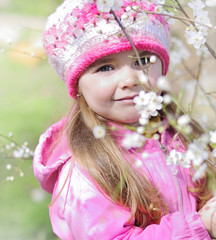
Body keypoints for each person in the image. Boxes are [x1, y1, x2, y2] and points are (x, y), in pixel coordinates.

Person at [33, 0, 216, 239]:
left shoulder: (180, 134)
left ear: (162, 68)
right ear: (77, 86)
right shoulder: (85, 170)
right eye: (106, 68)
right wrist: (200, 226)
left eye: (141, 61)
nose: (131, 79)